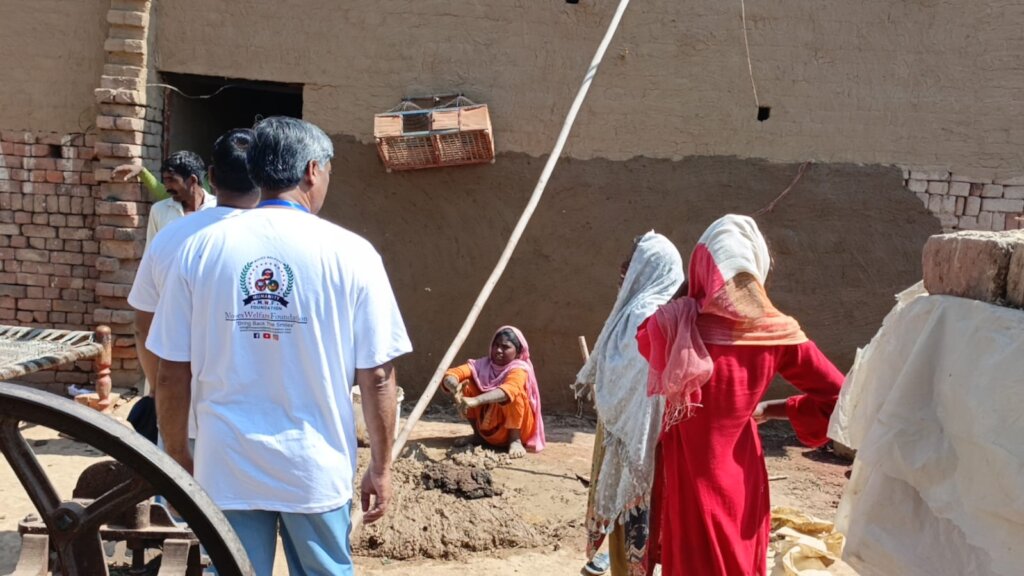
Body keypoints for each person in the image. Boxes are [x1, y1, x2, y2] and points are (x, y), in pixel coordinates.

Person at [148, 116, 412, 575]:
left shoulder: (199, 249)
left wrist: (177, 454)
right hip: (313, 470)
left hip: (226, 466)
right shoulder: (352, 254)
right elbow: (377, 378)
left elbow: (170, 372)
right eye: (328, 170)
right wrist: (381, 467)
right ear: (312, 170)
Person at [637, 214, 844, 576]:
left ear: (702, 265)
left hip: (688, 472)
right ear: (756, 267)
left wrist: (688, 291)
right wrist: (773, 408)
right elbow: (841, 396)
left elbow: (642, 337)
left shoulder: (678, 324)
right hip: (741, 476)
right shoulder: (779, 333)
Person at [126, 129, 261, 444]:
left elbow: (143, 325)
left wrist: (159, 389)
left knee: (174, 472)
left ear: (208, 177)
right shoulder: (292, 244)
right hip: (253, 420)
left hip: (183, 410)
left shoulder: (173, 239)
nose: (168, 187)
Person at [574, 232, 683, 576]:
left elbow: (644, 387)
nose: (623, 267)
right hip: (624, 433)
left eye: (634, 260)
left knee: (636, 514)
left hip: (639, 440)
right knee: (630, 517)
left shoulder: (650, 315)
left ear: (653, 268)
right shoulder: (639, 310)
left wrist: (619, 414)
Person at [117, 150, 216, 399]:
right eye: (165, 181)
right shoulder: (161, 211)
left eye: (172, 180)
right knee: (167, 367)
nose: (167, 187)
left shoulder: (217, 209)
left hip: (207, 303)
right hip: (168, 301)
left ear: (193, 180)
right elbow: (152, 255)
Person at [442, 326, 546, 458]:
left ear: (518, 352)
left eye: (505, 347)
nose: (498, 350)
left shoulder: (519, 369)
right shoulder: (483, 364)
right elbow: (454, 373)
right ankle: (478, 436)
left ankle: (515, 440)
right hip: (488, 428)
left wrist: (476, 400)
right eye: (496, 345)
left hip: (517, 430)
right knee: (467, 385)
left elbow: (508, 390)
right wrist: (453, 385)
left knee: (514, 394)